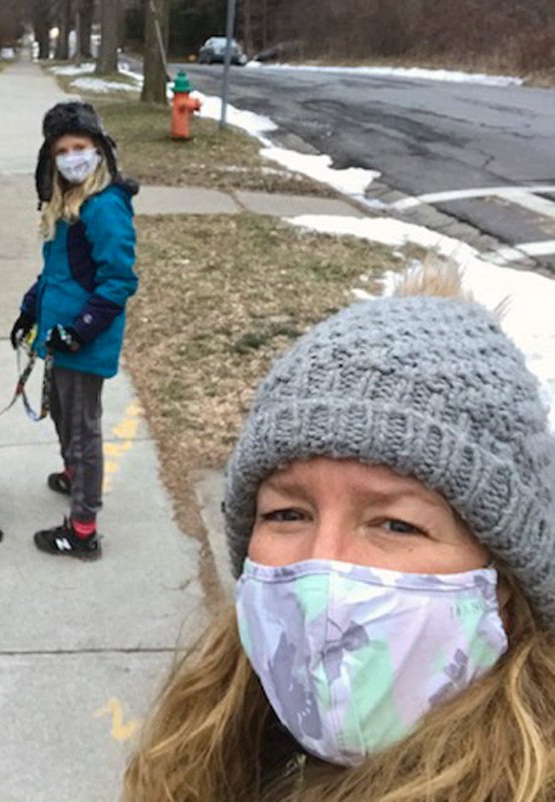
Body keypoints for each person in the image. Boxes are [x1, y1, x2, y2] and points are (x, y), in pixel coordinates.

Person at [123, 287, 555, 801]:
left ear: (504, 582)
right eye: (288, 514)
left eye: (396, 525)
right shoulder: (204, 747)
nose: (324, 566)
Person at [9, 101, 138, 560]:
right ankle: (72, 473)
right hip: (58, 336)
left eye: (79, 146)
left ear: (99, 149)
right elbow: (55, 274)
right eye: (62, 150)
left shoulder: (104, 208)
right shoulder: (67, 206)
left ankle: (83, 530)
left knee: (82, 430)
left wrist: (82, 330)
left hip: (83, 342)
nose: (72, 157)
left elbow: (118, 281)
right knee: (63, 416)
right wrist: (30, 311)